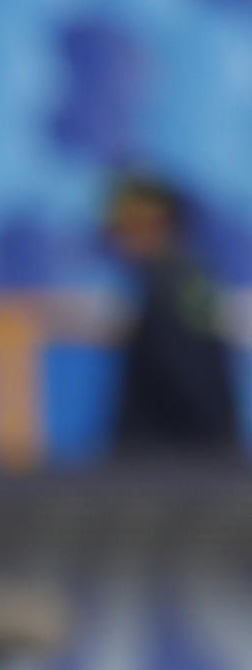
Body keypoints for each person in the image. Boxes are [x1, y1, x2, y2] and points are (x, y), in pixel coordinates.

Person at [104, 175, 243, 462]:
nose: (116, 237)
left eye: (126, 227)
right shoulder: (187, 279)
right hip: (186, 459)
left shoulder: (173, 284)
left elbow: (193, 374)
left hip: (174, 463)